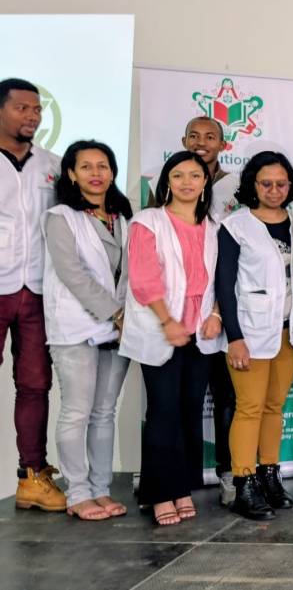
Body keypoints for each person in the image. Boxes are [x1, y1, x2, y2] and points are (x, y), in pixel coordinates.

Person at [119, 151, 226, 526]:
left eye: (194, 175)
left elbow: (221, 280)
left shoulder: (213, 226)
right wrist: (167, 321)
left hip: (201, 333)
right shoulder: (148, 222)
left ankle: (181, 488)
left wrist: (215, 315)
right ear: (167, 181)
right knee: (163, 412)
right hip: (161, 329)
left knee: (189, 411)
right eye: (178, 175)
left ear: (205, 182)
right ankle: (159, 494)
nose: (186, 182)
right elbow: (143, 280)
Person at [148, 116, 241, 502]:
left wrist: (219, 312)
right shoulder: (161, 194)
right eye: (195, 136)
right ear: (184, 140)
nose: (202, 142)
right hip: (177, 318)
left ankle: (228, 472)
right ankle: (173, 485)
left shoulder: (237, 185)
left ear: (223, 144)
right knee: (172, 405)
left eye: (210, 136)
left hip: (221, 308)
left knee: (227, 396)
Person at [43, 140, 133, 520]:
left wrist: (124, 318)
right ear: (71, 173)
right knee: (77, 412)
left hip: (118, 329)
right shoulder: (60, 217)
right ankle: (77, 493)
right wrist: (116, 313)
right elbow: (73, 274)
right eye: (86, 166)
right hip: (77, 327)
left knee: (104, 412)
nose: (96, 173)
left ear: (112, 172)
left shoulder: (123, 216)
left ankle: (100, 489)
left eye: (103, 166)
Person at [215, 151, 293, 521]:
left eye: (281, 184)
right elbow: (224, 285)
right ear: (253, 184)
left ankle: (269, 474)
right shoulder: (236, 226)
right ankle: (244, 482)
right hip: (249, 333)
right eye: (266, 183)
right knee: (249, 407)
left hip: (290, 332)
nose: (274, 190)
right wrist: (234, 337)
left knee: (274, 407)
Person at [0, 78, 66, 511]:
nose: (33, 116)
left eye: (37, 109)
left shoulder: (53, 165)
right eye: (22, 108)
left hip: (38, 289)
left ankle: (32, 475)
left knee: (35, 384)